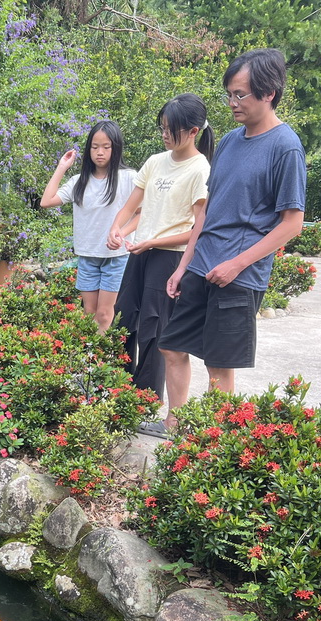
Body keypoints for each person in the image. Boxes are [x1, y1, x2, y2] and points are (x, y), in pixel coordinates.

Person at [152, 48, 306, 436]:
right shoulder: (232, 141)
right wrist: (184, 265)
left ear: (269, 92)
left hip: (238, 277)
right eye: (229, 95)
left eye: (240, 95)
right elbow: (208, 211)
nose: (232, 103)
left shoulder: (285, 147)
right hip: (201, 265)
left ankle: (212, 447)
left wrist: (237, 264)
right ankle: (176, 426)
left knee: (219, 366)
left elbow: (292, 224)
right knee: (171, 346)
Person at [106, 94, 214, 399]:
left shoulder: (200, 169)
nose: (165, 135)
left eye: (172, 130)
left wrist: (153, 241)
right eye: (163, 128)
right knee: (123, 319)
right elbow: (133, 208)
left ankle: (145, 398)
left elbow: (197, 230)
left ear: (194, 131)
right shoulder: (155, 162)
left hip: (169, 257)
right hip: (141, 253)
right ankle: (118, 389)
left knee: (154, 329)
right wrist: (116, 229)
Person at [40, 120, 137, 332]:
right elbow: (46, 201)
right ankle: (92, 360)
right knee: (89, 314)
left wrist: (122, 232)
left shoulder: (129, 178)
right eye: (94, 147)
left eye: (106, 147)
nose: (99, 152)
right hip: (88, 256)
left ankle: (98, 361)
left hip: (116, 257)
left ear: (116, 148)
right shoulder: (79, 181)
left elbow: (142, 213)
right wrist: (62, 167)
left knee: (104, 314)